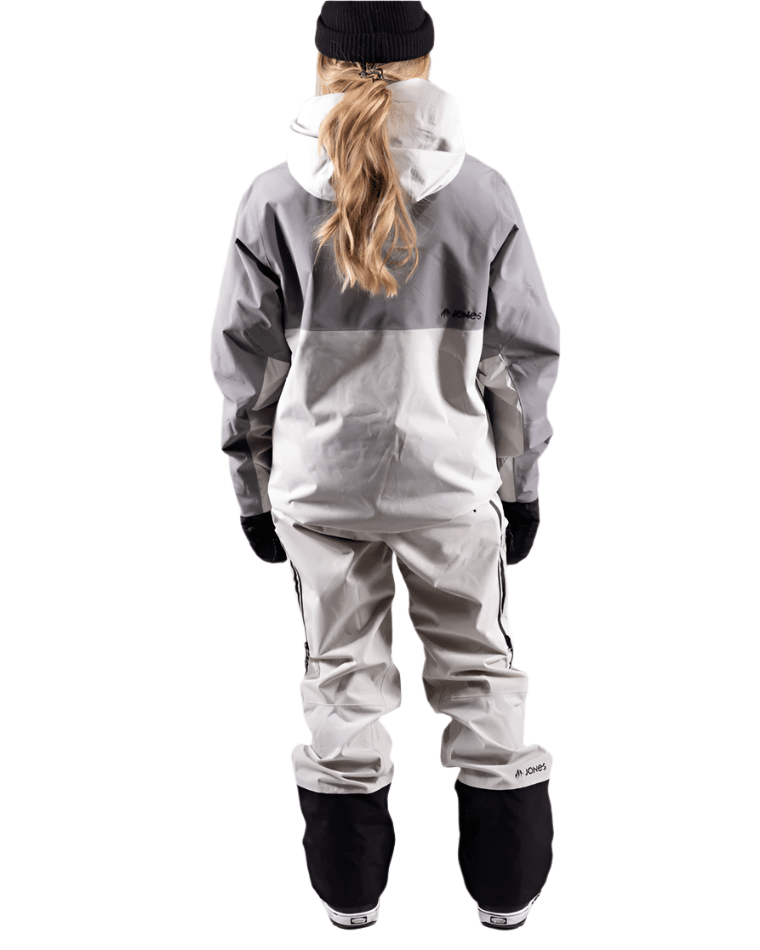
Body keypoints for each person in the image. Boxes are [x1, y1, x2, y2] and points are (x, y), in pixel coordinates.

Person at [210, 1, 560, 932]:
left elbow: (246, 366)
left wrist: (250, 491)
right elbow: (521, 361)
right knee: (480, 671)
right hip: (450, 487)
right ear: (425, 64)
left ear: (323, 64)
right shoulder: (481, 194)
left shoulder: (272, 199)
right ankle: (507, 895)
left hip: (317, 491)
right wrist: (521, 485)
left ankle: (349, 897)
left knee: (341, 678)